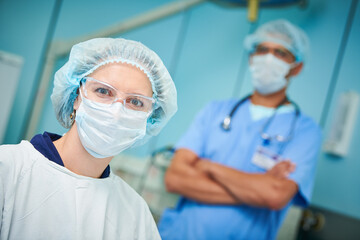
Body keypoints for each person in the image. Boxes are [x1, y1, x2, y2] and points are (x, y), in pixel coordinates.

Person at [158, 19, 322, 240]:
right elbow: (175, 179)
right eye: (262, 49)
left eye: (280, 53)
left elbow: (275, 196)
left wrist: (208, 166)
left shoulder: (305, 131)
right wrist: (257, 189)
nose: (268, 58)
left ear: (297, 67)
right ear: (251, 57)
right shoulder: (215, 110)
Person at [0, 38, 177, 239]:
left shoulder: (136, 215)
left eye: (135, 102)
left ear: (150, 117)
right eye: (103, 91)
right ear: (76, 95)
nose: (117, 112)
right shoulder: (8, 170)